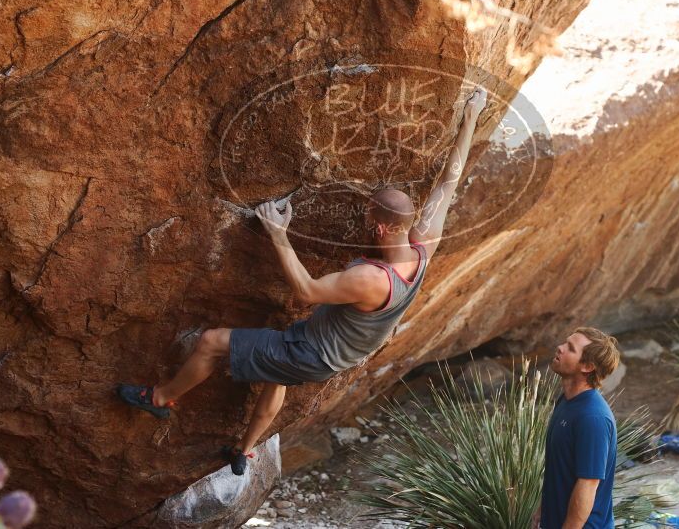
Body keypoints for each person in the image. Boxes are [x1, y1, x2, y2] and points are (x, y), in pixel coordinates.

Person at [117, 88, 489, 475]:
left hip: (311, 354)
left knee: (211, 342)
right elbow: (451, 178)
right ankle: (243, 452)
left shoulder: (370, 280)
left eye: (367, 216)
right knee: (276, 379)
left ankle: (159, 399)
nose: (364, 220)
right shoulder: (423, 242)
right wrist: (471, 116)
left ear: (379, 226)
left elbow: (307, 291)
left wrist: (278, 232)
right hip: (330, 355)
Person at [534, 327, 621, 529]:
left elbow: (588, 485)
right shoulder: (566, 401)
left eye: (570, 348)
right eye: (565, 343)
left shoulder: (593, 417)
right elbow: (560, 467)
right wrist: (542, 510)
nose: (560, 348)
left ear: (587, 366)